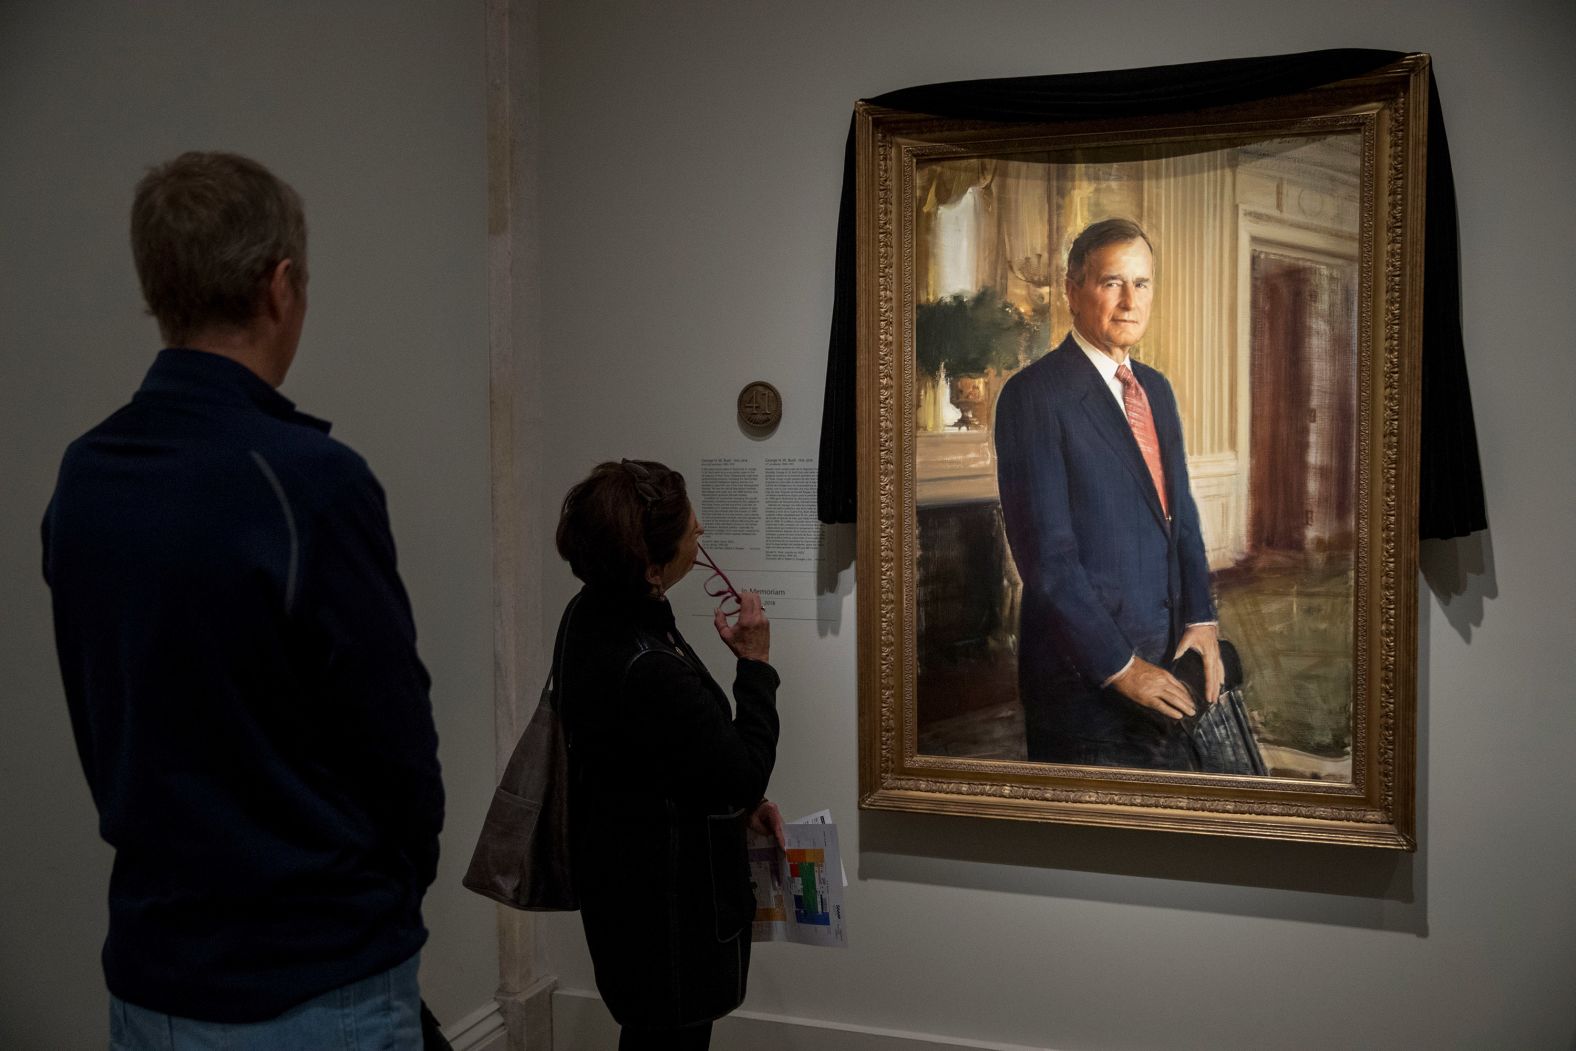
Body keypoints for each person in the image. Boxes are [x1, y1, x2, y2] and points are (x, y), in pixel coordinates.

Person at [41, 152, 444, 1049]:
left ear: (161, 289)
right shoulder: (309, 483)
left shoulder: (86, 475)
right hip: (314, 977)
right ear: (281, 284)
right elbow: (397, 745)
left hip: (154, 970)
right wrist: (387, 892)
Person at [554, 459, 781, 1051]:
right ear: (652, 566)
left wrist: (742, 799)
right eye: (688, 528)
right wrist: (755, 665)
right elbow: (739, 771)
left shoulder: (594, 612)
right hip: (671, 915)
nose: (700, 530)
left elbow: (674, 757)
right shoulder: (648, 665)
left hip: (627, 894)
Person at [993, 218, 1224, 770]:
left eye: (1141, 284)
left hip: (1169, 665)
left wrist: (1202, 619)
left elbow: (1181, 516)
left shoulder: (1157, 391)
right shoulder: (1034, 396)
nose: (1129, 301)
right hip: (1085, 688)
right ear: (1073, 291)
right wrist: (1122, 667)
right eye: (1111, 282)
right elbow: (1049, 562)